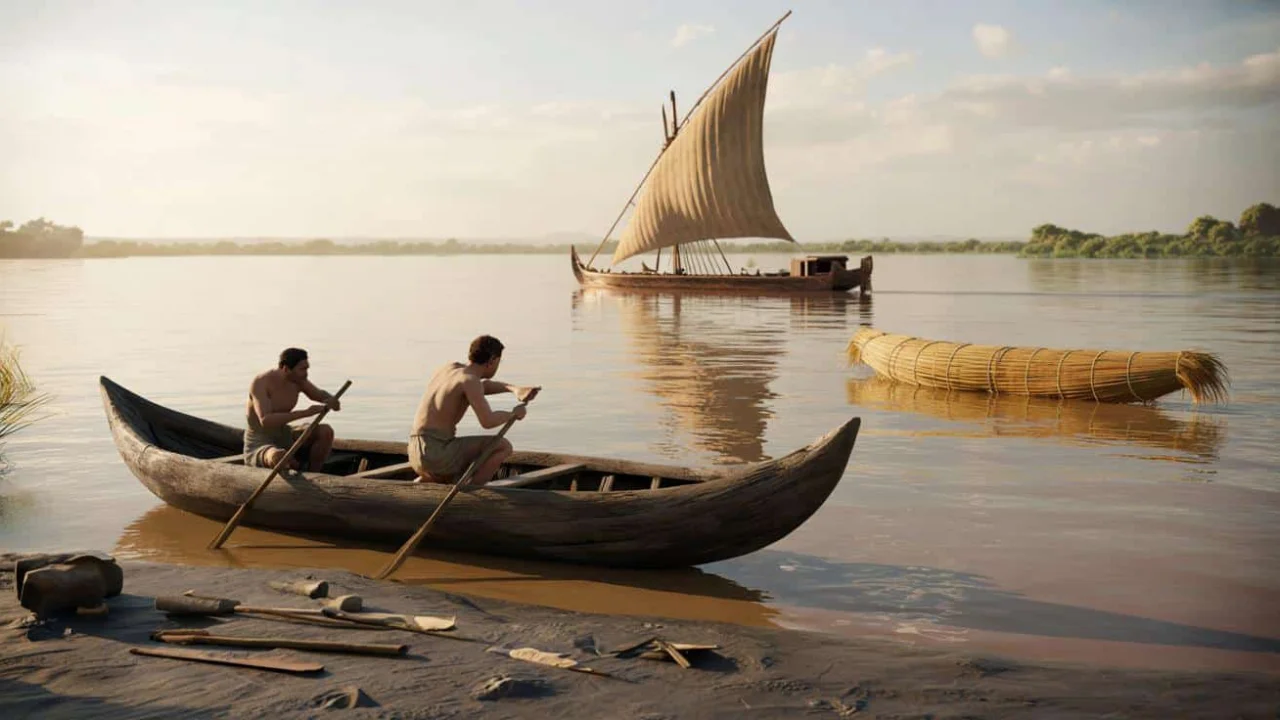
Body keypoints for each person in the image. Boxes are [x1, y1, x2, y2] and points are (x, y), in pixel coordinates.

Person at [408, 335, 540, 486]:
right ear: (492, 360)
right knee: (503, 446)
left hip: (414, 452)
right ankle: (472, 492)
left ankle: (420, 484)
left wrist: (514, 389)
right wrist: (513, 415)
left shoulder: (450, 370)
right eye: (499, 362)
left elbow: (483, 386)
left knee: (443, 473)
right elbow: (487, 421)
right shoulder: (470, 381)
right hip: (436, 453)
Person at [244, 347, 341, 472]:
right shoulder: (261, 383)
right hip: (261, 442)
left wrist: (331, 400)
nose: (306, 373)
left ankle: (314, 475)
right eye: (302, 369)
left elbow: (318, 395)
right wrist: (305, 413)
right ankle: (291, 464)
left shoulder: (298, 380)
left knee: (325, 431)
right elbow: (266, 420)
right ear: (286, 369)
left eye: (307, 368)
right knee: (278, 456)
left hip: (285, 435)